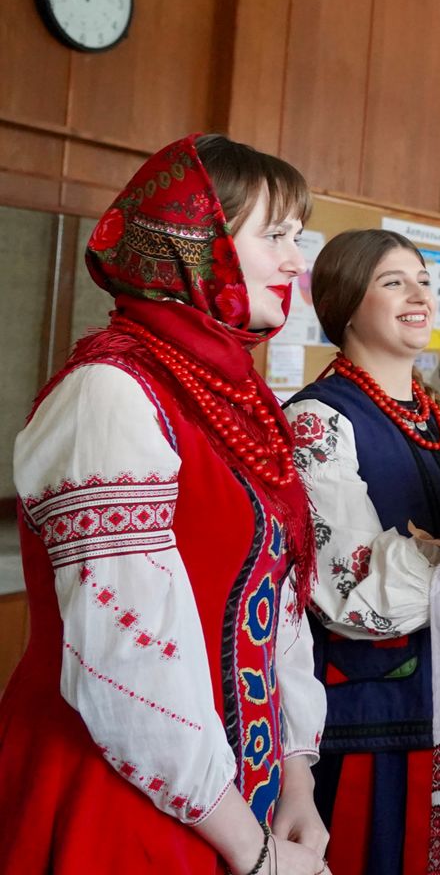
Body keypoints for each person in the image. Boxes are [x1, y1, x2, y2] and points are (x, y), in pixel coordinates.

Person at [0, 134, 328, 875]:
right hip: (118, 796)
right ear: (196, 245)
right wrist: (252, 849)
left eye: (297, 237)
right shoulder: (110, 392)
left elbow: (276, 604)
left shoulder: (233, 396)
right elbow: (125, 663)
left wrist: (295, 778)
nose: (294, 260)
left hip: (243, 799)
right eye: (274, 235)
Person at [285, 229, 440, 875]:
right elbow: (354, 593)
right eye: (393, 282)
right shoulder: (317, 421)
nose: (418, 294)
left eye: (424, 279)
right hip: (374, 718)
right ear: (345, 303)